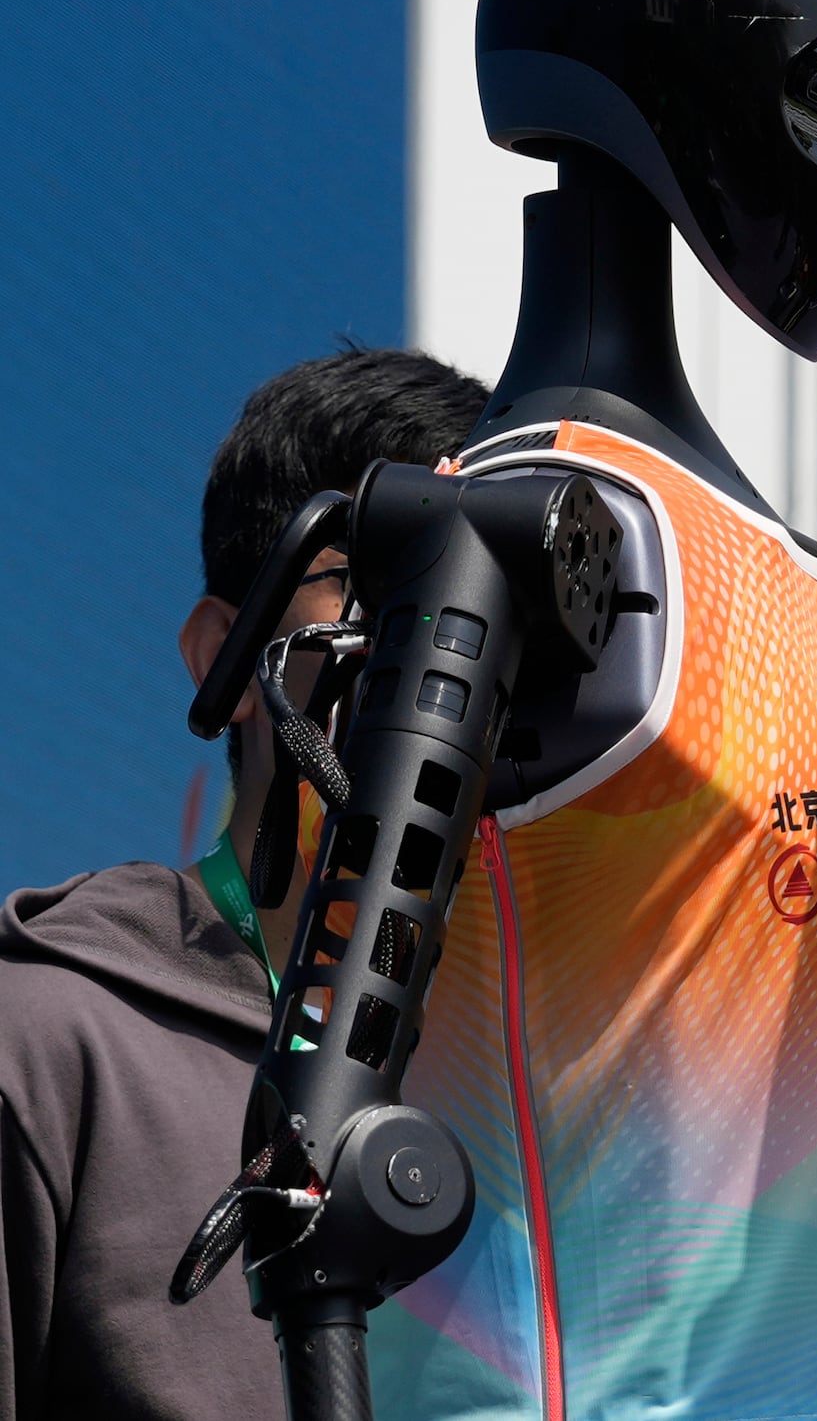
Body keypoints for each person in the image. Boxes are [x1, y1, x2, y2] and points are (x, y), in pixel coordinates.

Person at [0, 347, 489, 1420]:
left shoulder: (554, 1079)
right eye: (376, 582)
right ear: (222, 656)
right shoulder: (48, 1047)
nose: (435, 654)